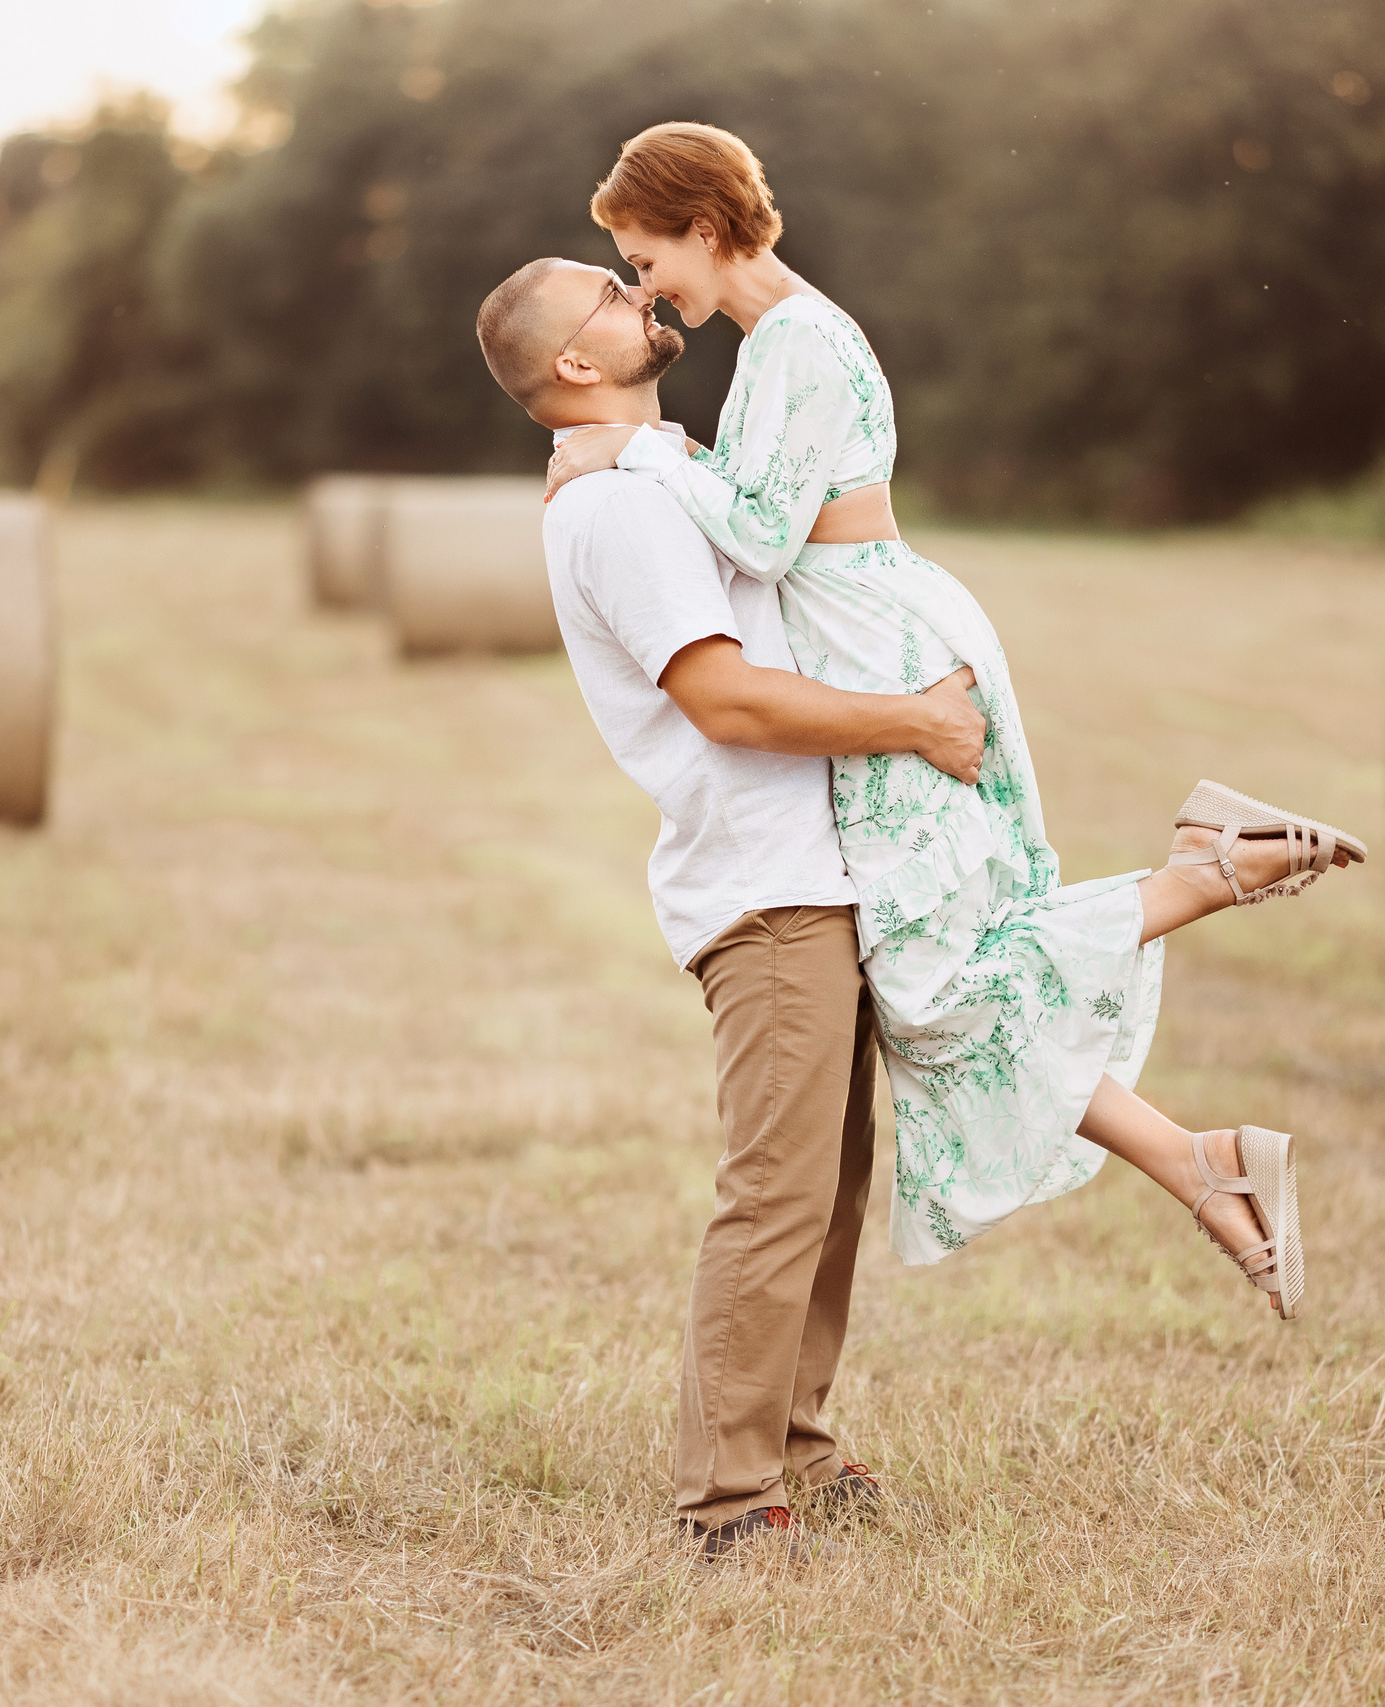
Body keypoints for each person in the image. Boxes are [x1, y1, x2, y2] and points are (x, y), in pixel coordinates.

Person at [537, 123, 1366, 1303]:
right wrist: (657, 450)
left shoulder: (794, 343)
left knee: (937, 976)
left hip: (883, 643)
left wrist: (633, 449)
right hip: (880, 624)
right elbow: (768, 504)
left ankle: (1202, 876)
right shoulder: (793, 337)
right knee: (945, 967)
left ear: (704, 230)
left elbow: (764, 536)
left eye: (644, 256)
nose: (645, 288)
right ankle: (1200, 1160)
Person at [477, 254, 987, 1560]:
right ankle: (727, 1498)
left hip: (820, 871)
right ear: (575, 366)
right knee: (777, 1195)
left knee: (825, 1191)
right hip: (765, 894)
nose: (635, 287)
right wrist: (916, 723)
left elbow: (790, 331)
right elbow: (727, 698)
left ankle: (797, 1446)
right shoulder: (618, 515)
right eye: (607, 286)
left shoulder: (654, 476)